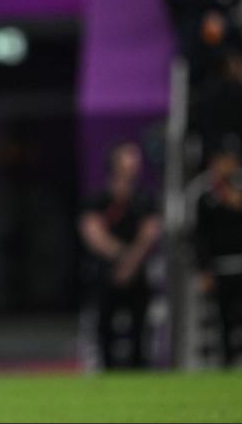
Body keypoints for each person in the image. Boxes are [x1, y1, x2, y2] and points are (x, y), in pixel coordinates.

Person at [187, 138, 242, 367]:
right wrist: (203, 268)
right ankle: (227, 365)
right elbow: (197, 234)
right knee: (223, 323)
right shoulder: (203, 192)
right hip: (218, 267)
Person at [79, 142, 161, 369]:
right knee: (104, 328)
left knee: (139, 328)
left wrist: (131, 263)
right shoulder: (98, 200)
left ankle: (140, 371)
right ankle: (107, 374)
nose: (135, 163)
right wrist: (121, 256)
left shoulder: (144, 200)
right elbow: (92, 233)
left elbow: (150, 233)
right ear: (115, 163)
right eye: (129, 158)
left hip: (137, 274)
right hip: (105, 273)